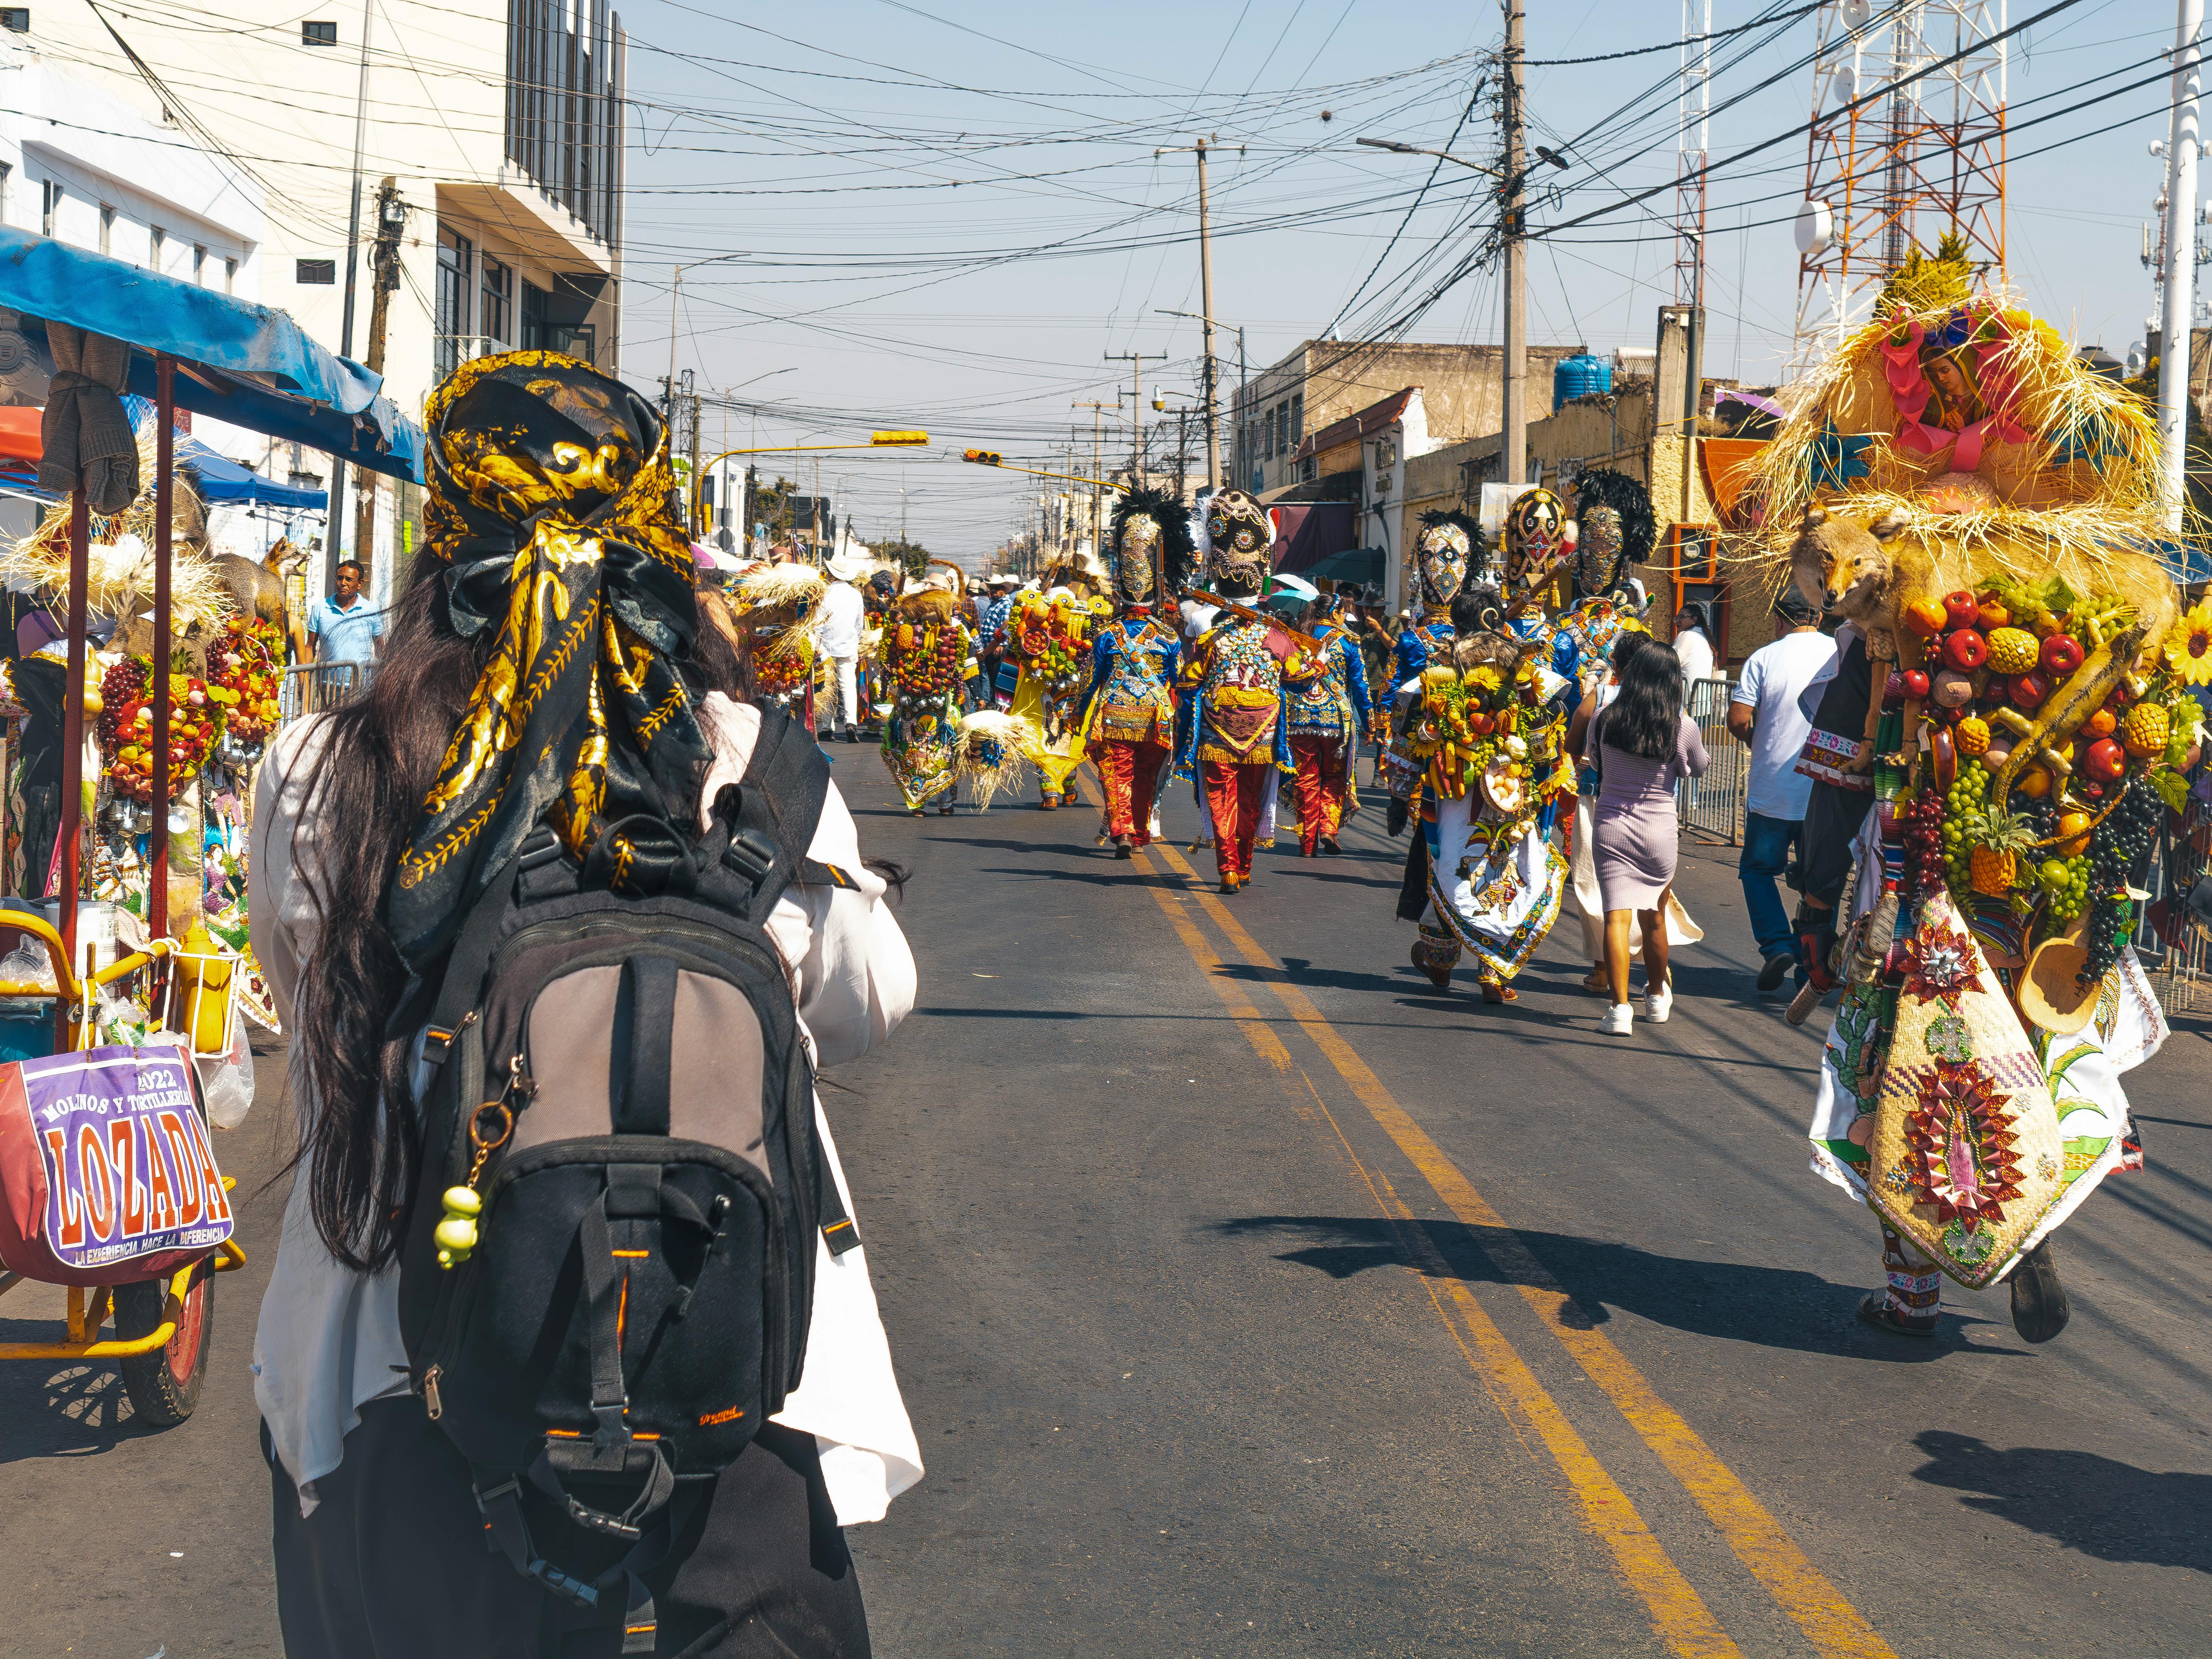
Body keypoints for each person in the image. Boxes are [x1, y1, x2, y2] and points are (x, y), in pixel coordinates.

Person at [247, 352, 918, 1657]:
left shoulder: (322, 765)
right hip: (723, 1332)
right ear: (659, 531)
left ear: (440, 534)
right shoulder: (750, 755)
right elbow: (868, 997)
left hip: (406, 1329)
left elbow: (304, 988)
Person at [1175, 490, 1315, 892]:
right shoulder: (1277, 636)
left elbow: (1187, 683)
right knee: (1252, 800)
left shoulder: (1211, 635)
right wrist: (1315, 668)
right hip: (1263, 732)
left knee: (1222, 799)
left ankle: (1228, 868)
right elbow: (1300, 680)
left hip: (1217, 731)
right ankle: (1245, 864)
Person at [1590, 639, 1708, 1036]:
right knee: (1655, 917)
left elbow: (1593, 760)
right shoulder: (1682, 725)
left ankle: (1619, 1010)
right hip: (1658, 830)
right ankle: (1657, 997)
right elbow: (1700, 767)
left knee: (1617, 918)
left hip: (1611, 825)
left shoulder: (1606, 717)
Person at [1727, 587, 1834, 992]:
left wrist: (1760, 741)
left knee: (1757, 870)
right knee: (1815, 882)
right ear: (1820, 618)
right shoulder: (1837, 655)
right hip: (1822, 789)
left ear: (1779, 619)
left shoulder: (1764, 657)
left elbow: (1738, 719)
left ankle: (1776, 944)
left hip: (1772, 789)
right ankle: (1810, 968)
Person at [1079, 486, 1189, 856]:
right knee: (1144, 777)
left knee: (1116, 774)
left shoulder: (1108, 635)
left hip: (1113, 714)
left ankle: (1124, 830)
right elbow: (1178, 680)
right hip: (1155, 716)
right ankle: (1139, 832)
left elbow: (1090, 681)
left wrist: (1074, 714)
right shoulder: (1169, 636)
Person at [1283, 594, 1370, 856]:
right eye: (1343, 614)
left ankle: (1307, 843)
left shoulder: (1295, 638)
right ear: (1334, 614)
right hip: (1335, 722)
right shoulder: (1349, 641)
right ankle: (1328, 829)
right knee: (1334, 777)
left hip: (1298, 720)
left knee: (1306, 778)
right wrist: (1370, 724)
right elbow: (1361, 687)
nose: (1345, 618)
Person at [815, 555, 869, 743]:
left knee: (827, 688)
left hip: (827, 649)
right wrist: (853, 640)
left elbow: (818, 624)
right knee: (848, 687)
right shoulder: (856, 594)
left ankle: (826, 728)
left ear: (830, 574)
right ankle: (850, 723)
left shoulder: (825, 593)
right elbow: (859, 625)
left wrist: (816, 645)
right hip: (849, 647)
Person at [308, 558, 383, 669]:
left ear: (359, 584)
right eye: (340, 578)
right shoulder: (321, 608)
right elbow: (310, 646)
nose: (343, 583)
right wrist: (304, 681)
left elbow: (380, 649)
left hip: (360, 684)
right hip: (327, 684)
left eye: (349, 579)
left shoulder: (371, 610)